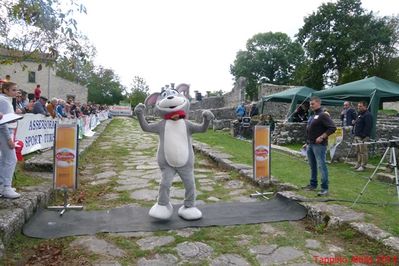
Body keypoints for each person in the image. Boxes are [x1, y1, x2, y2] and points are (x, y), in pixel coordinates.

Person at [302, 96, 336, 196]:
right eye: (310, 104)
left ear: (318, 103)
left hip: (319, 145)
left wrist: (322, 137)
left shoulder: (323, 115)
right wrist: (307, 142)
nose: (311, 106)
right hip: (310, 144)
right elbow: (310, 130)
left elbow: (332, 128)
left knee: (322, 166)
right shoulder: (313, 116)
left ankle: (325, 188)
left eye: (313, 104)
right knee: (312, 166)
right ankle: (313, 185)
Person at [0, 81, 21, 199]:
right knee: (11, 159)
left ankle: (3, 185)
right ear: (5, 90)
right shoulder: (3, 101)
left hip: (8, 131)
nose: (16, 92)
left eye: (16, 89)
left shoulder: (7, 100)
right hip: (5, 132)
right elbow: (2, 122)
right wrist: (8, 139)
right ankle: (6, 187)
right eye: (13, 90)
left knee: (4, 159)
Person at [353, 101, 373, 171]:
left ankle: (363, 165)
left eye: (360, 106)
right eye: (358, 106)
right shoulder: (359, 114)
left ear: (365, 107)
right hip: (357, 136)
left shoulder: (368, 115)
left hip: (363, 137)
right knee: (358, 151)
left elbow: (368, 126)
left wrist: (363, 135)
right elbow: (358, 123)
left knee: (363, 151)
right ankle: (358, 163)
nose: (359, 107)